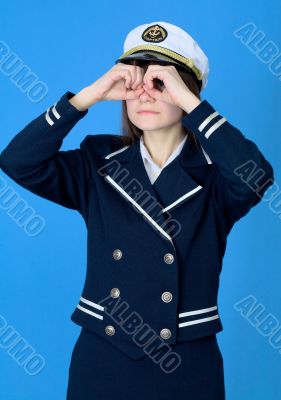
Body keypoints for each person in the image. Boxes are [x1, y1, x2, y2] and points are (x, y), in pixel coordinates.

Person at [0, 21, 274, 400]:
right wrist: (88, 96)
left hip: (187, 362)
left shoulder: (217, 178)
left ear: (186, 93)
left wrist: (193, 103)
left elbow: (257, 177)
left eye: (161, 83)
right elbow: (17, 162)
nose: (145, 93)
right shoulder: (97, 162)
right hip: (103, 358)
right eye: (136, 81)